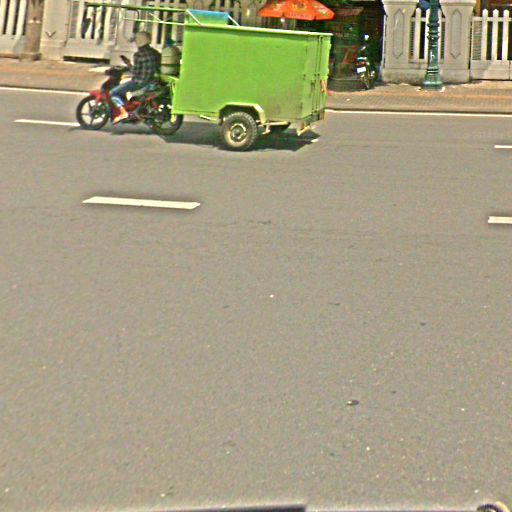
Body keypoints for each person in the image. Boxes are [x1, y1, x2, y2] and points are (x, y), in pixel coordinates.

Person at [111, 31, 161, 124]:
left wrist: (128, 64)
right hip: (152, 81)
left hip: (140, 82)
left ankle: (124, 113)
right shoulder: (155, 53)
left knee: (114, 92)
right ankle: (131, 109)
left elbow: (136, 72)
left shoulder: (138, 55)